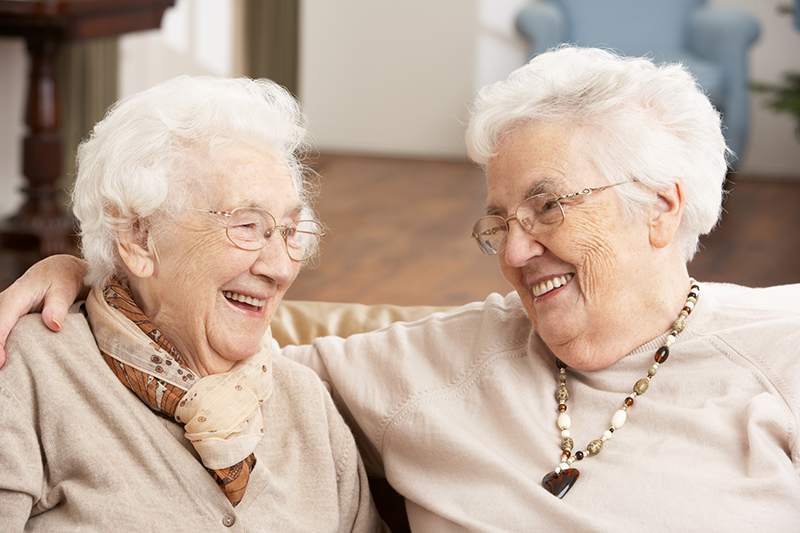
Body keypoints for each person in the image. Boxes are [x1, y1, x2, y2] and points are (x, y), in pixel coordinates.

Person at [2, 46, 799, 531]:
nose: (515, 250)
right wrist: (88, 269)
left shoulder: (781, 349)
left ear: (662, 208)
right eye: (498, 220)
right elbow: (191, 358)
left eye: (548, 205)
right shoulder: (427, 366)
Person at [0, 75, 383, 531]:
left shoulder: (306, 404)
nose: (280, 268)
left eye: (288, 230)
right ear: (139, 238)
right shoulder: (29, 373)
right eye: (247, 225)